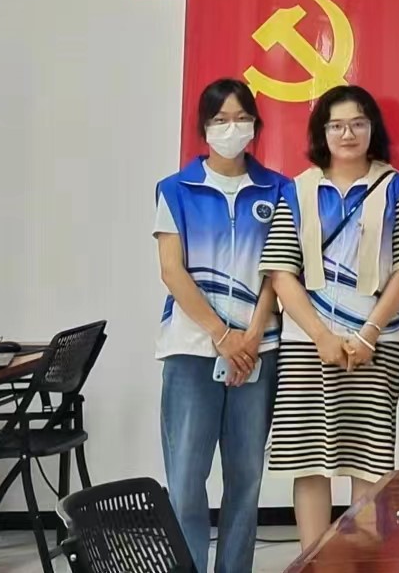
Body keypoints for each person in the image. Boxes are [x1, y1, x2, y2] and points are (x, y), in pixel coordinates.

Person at [259, 85, 399, 550]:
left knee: (369, 461)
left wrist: (369, 333)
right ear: (322, 132)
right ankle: (312, 559)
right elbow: (281, 272)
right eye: (336, 125)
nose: (347, 133)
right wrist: (321, 336)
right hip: (306, 347)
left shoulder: (396, 187)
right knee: (309, 462)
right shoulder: (297, 190)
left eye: (357, 123)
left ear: (372, 129)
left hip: (375, 346)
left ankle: (362, 560)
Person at [153, 79, 289, 573]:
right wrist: (221, 334)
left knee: (245, 478)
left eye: (241, 118)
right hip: (192, 349)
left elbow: (279, 271)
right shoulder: (176, 189)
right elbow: (172, 271)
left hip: (259, 349)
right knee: (187, 479)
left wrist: (250, 336)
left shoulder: (279, 189)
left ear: (255, 125)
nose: (232, 129)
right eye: (220, 120)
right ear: (204, 127)